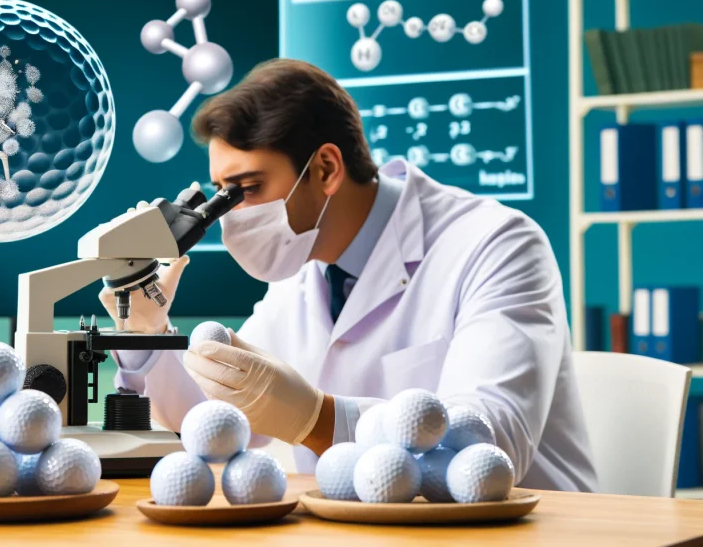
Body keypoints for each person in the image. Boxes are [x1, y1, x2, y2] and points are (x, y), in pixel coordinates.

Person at [101, 58, 597, 492]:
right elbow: (217, 421)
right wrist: (148, 334)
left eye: (247, 189)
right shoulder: (301, 267)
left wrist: (317, 418)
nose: (230, 216)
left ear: (325, 169)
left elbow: (487, 449)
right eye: (220, 193)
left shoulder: (497, 244)